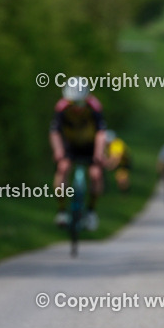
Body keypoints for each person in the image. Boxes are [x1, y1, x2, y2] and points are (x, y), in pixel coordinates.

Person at [50, 80, 107, 230]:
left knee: (95, 174)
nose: (76, 107)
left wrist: (99, 153)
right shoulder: (62, 108)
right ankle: (61, 211)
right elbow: (55, 132)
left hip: (90, 145)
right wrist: (58, 150)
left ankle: (91, 212)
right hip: (71, 145)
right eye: (72, 103)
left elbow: (101, 133)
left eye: (80, 103)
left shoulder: (94, 106)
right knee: (63, 169)